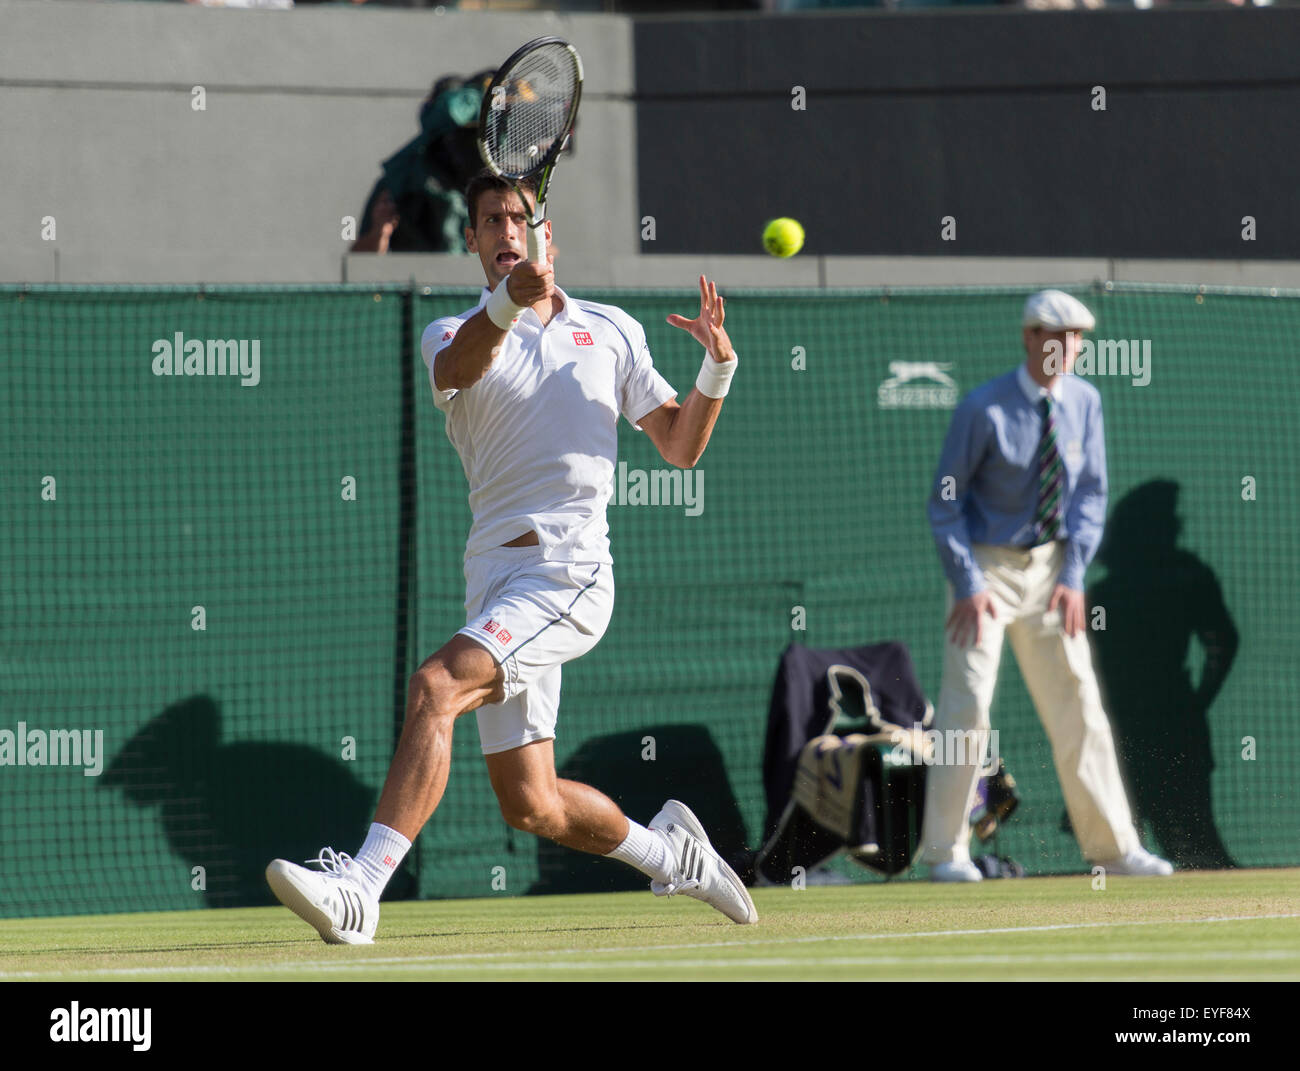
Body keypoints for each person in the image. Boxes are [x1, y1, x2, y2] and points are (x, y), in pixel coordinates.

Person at [266, 170, 756, 942]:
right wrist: (509, 301)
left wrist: (716, 370)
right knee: (533, 803)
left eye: (520, 217)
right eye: (490, 219)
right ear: (471, 240)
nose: (506, 230)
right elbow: (460, 368)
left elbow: (681, 444)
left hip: (568, 576)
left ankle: (361, 885)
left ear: (545, 233)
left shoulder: (612, 331)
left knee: (435, 685)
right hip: (495, 581)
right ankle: (674, 853)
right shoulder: (451, 333)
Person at [919, 289, 1173, 883]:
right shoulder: (982, 408)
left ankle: (1112, 847)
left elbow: (1090, 495)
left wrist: (1075, 575)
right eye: (1057, 337)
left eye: (1079, 338)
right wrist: (967, 582)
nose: (1070, 348)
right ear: (1030, 338)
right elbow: (945, 502)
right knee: (969, 705)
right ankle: (945, 854)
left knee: (1080, 701)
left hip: (1055, 572)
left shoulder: (1086, 402)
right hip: (986, 570)